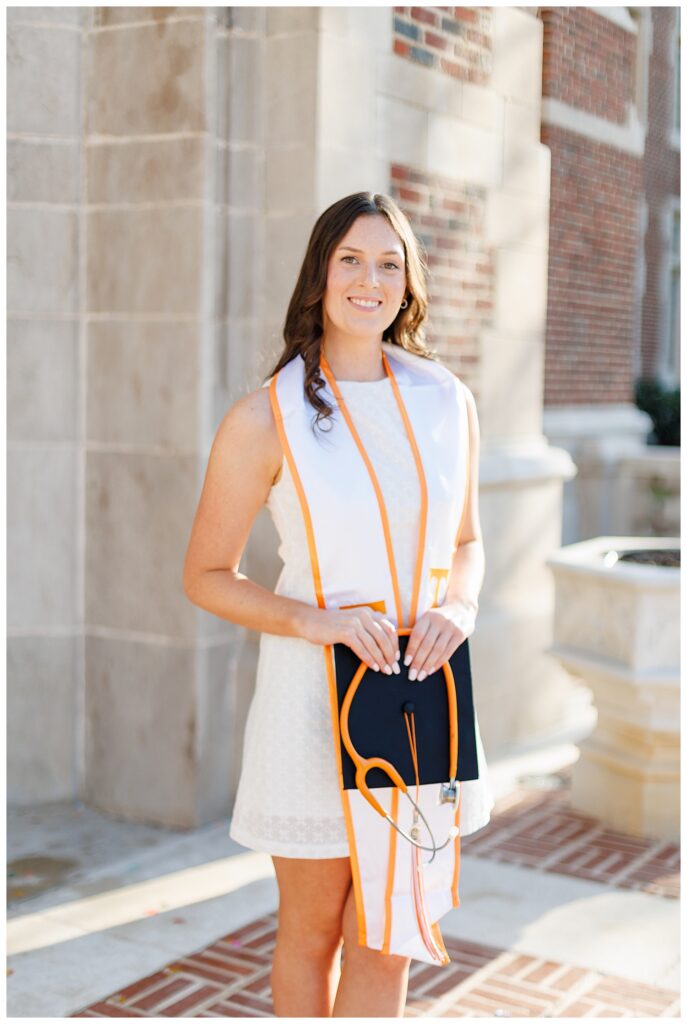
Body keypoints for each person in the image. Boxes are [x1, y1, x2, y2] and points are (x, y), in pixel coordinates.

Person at [183, 192, 493, 1017]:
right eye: (351, 260)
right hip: (309, 708)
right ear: (319, 275)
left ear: (409, 283)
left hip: (420, 697)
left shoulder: (444, 402)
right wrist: (316, 621)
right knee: (312, 931)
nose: (370, 279)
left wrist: (456, 611)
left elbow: (466, 544)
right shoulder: (264, 418)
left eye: (389, 263)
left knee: (389, 942)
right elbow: (206, 572)